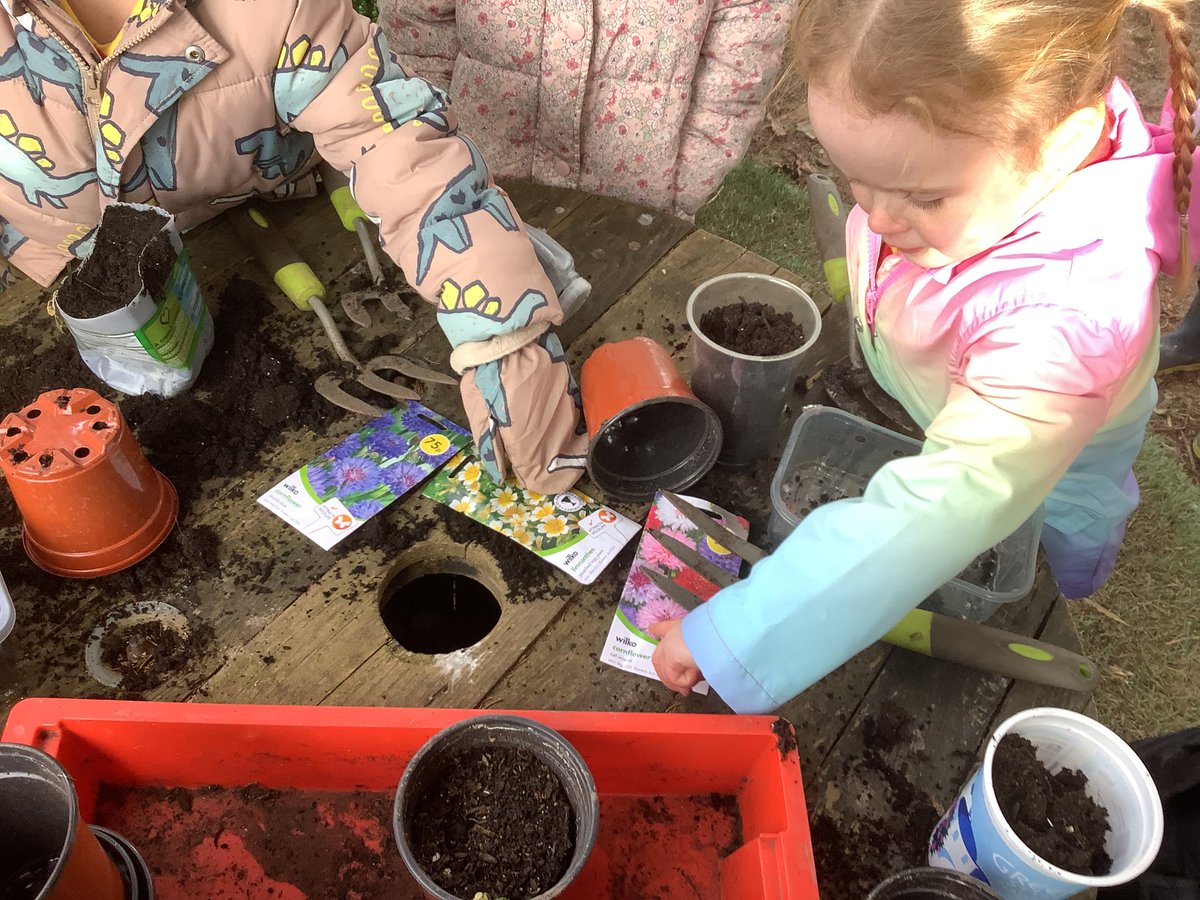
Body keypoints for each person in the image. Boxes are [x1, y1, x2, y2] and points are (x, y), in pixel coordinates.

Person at [649, 0, 1199, 713]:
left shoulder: (1066, 324)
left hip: (1059, 470)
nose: (876, 219)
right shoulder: (1001, 150)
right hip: (955, 393)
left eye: (921, 194)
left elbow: (936, 516)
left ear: (1063, 145)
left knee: (1042, 553)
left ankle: (1070, 584)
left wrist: (739, 632)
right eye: (855, 179)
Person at [0, 0, 587, 493]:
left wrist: (503, 329)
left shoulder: (273, 7)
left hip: (278, 200)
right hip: (73, 297)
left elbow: (400, 149)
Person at [378, 0, 795, 218]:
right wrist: (440, 138)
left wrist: (687, 182)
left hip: (635, 204)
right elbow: (415, 26)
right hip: (478, 185)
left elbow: (740, 67)